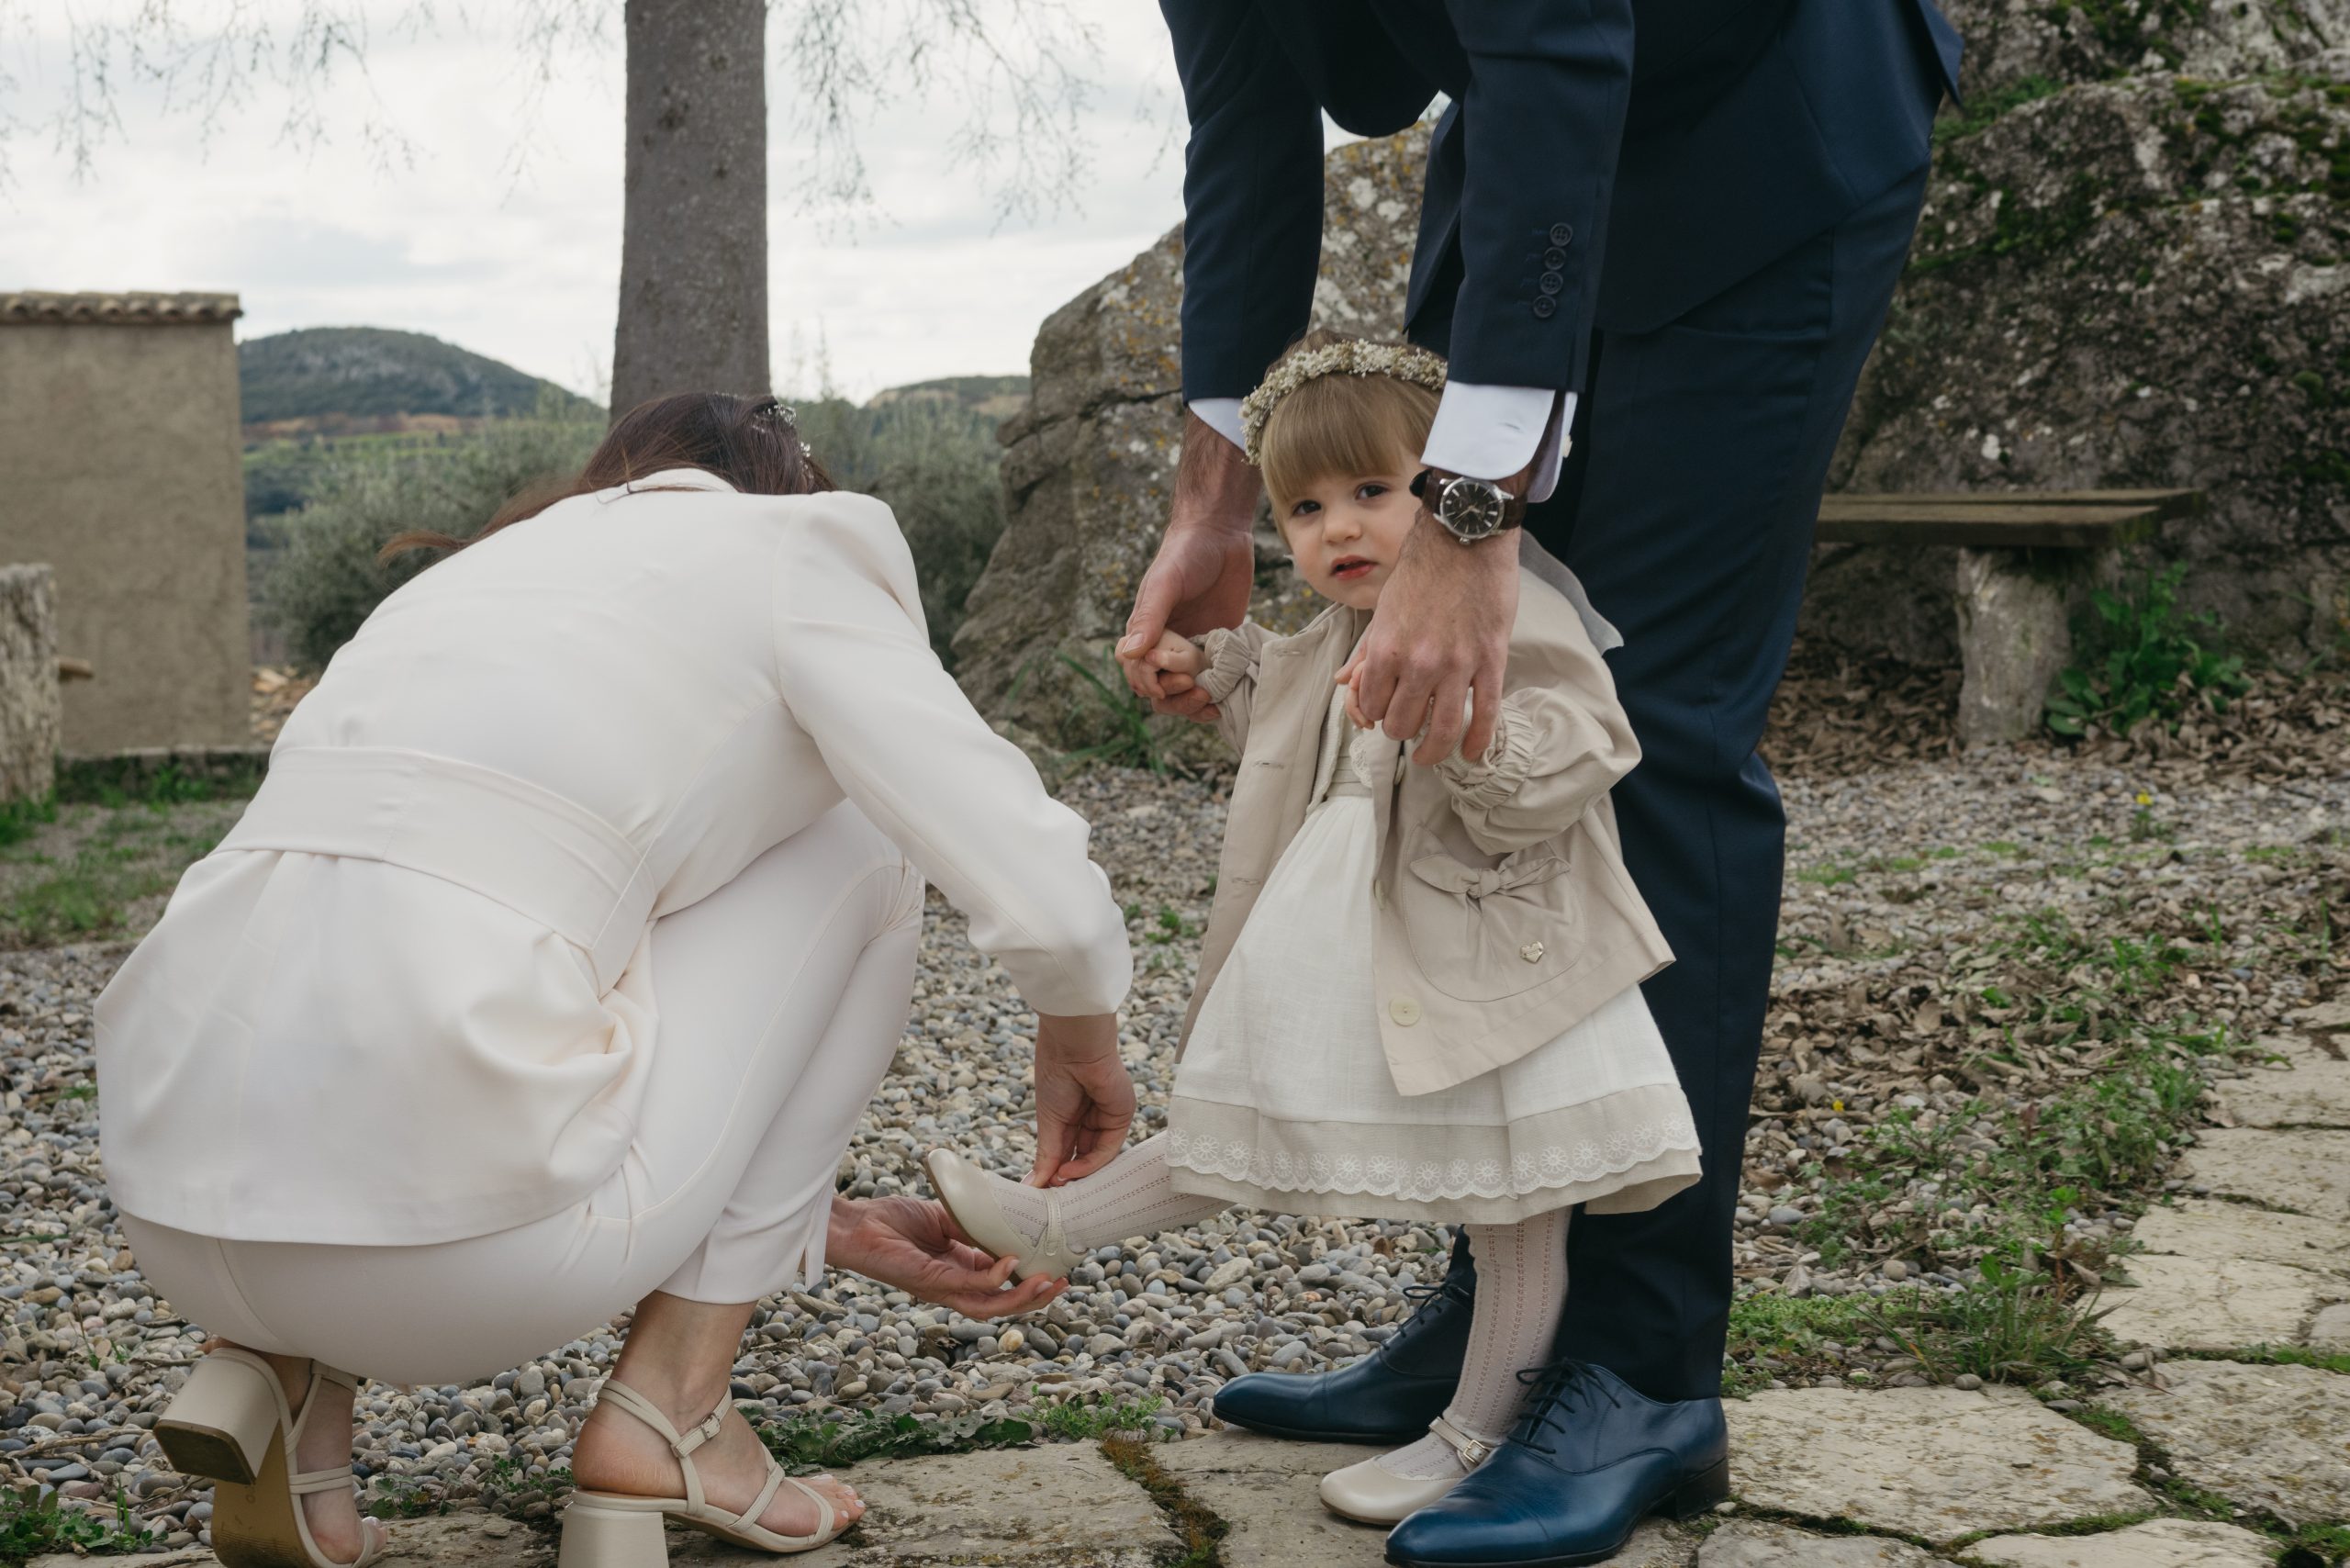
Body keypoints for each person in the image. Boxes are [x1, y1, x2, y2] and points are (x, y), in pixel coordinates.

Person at [1121, 5, 1962, 1565]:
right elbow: (1247, 125)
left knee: (1646, 733)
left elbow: (1562, 37)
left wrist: (1466, 514)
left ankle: (1639, 1371)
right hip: (1523, 169)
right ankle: (1507, 1323)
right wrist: (1212, 504)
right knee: (1457, 740)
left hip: (1763, 121)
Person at [95, 393, 1143, 1568]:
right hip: (455, 1262)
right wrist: (1082, 1034)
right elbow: (1040, 892)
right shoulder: (795, 545)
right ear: (780, 490)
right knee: (869, 842)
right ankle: (674, 1412)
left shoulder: (458, 586)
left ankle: (283, 1387)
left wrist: (829, 1223)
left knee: (473, 901)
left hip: (176, 1210)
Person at [929, 336, 1705, 1544]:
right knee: (1254, 1100)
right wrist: (1207, 672)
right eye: (1303, 508)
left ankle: (1474, 1437)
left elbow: (1586, 744)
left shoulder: (1515, 607)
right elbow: (1285, 713)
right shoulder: (1332, 633)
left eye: (1372, 492)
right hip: (1361, 939)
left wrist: (1474, 733)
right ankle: (1055, 1226)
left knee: (1517, 1202)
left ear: (1446, 491)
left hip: (1498, 956)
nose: (1337, 527)